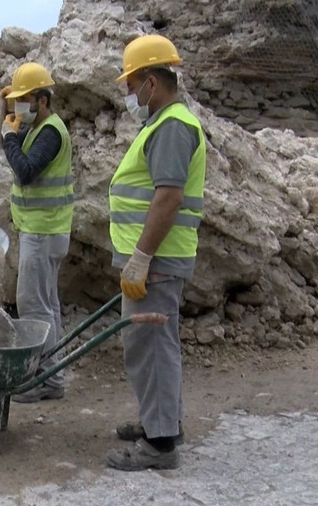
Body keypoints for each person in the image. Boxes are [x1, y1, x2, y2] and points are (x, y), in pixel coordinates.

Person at [105, 34, 206, 471]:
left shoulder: (171, 127)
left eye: (131, 85)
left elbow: (168, 197)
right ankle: (158, 422)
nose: (129, 94)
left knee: (152, 345)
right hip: (154, 258)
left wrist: (142, 257)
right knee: (147, 345)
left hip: (158, 260)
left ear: (151, 81)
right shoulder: (162, 123)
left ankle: (160, 444)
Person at [0, 62, 74, 403]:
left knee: (34, 306)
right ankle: (52, 375)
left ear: (43, 101)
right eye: (18, 102)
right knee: (47, 306)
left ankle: (45, 379)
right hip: (42, 230)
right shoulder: (38, 127)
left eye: (26, 101)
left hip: (43, 233)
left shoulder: (50, 132)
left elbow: (26, 170)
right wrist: (11, 111)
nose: (21, 108)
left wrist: (9, 137)